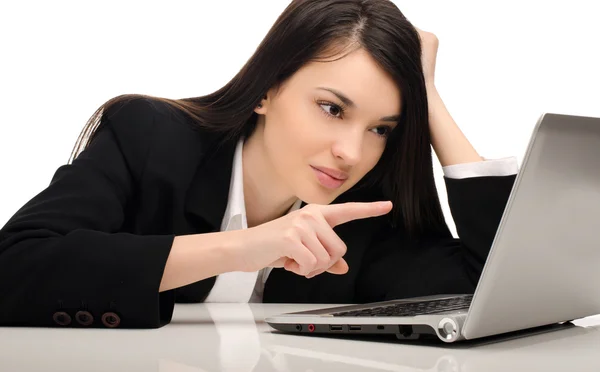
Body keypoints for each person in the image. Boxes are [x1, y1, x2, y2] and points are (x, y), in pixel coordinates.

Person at [0, 0, 518, 329]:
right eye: (332, 108)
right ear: (267, 90)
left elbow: (499, 291)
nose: (352, 153)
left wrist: (428, 98)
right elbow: (13, 267)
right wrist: (245, 247)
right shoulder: (151, 137)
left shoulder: (362, 212)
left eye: (381, 128)